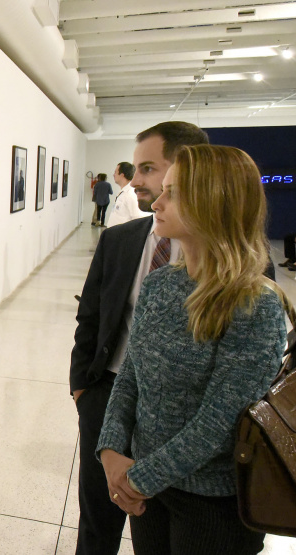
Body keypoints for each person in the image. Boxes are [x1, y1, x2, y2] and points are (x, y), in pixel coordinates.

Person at [97, 144, 285, 554]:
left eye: (174, 193)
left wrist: (138, 478)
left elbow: (219, 422)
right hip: (149, 490)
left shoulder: (254, 303)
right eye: (162, 190)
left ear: (216, 201)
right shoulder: (161, 284)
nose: (158, 202)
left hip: (213, 504)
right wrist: (111, 450)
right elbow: (131, 374)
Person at [70, 121, 209, 555]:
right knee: (98, 517)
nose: (139, 179)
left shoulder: (235, 263)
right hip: (109, 394)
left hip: (187, 418)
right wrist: (83, 391)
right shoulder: (120, 240)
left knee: (164, 529)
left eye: (149, 168)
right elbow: (91, 317)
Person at [105, 162, 147, 229]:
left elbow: (137, 219)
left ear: (122, 175)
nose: (113, 175)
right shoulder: (123, 192)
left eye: (115, 172)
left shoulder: (131, 194)